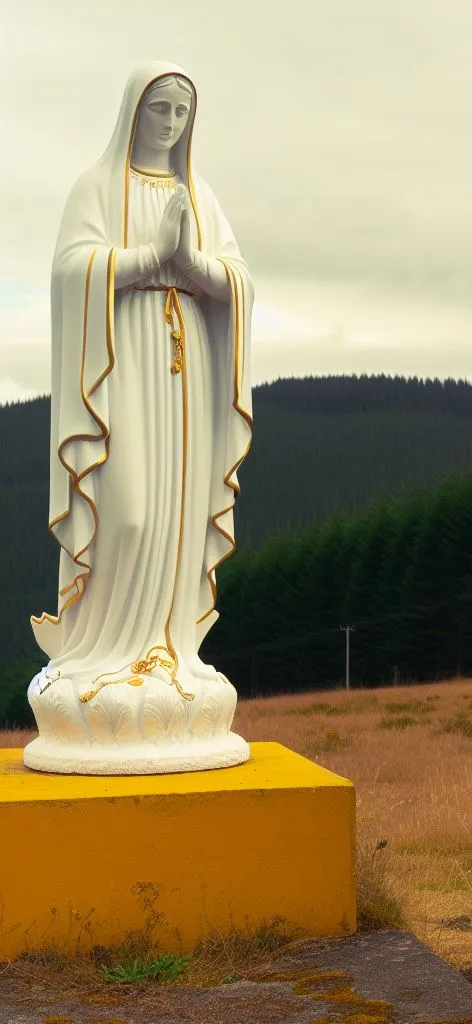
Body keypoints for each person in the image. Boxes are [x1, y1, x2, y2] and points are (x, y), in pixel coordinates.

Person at [26, 62, 253, 773]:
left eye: (183, 110)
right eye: (160, 107)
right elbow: (71, 270)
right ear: (134, 111)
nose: (172, 122)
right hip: (121, 371)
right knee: (125, 511)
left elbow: (237, 281)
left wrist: (191, 267)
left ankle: (170, 653)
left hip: (186, 384)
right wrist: (146, 259)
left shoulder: (200, 195)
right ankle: (103, 654)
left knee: (179, 513)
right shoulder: (95, 188)